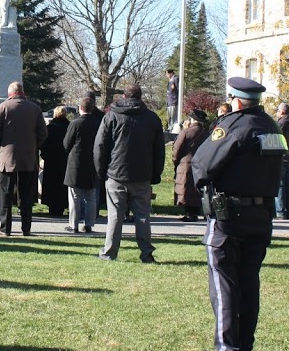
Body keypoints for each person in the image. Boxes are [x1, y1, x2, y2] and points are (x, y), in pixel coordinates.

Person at [191, 77, 286, 351]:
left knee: (224, 281)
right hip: (261, 213)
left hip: (229, 215)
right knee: (249, 280)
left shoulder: (232, 126)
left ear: (236, 100)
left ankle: (227, 350)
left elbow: (203, 165)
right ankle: (244, 345)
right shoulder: (271, 126)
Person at [95, 84, 165, 262]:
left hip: (116, 173)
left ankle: (110, 252)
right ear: (140, 97)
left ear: (124, 96)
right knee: (142, 216)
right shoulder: (151, 118)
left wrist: (101, 171)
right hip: (142, 175)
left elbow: (100, 146)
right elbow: (159, 151)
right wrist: (155, 174)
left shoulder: (111, 116)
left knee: (115, 216)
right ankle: (146, 253)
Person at [0, 82, 46, 237]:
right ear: (23, 92)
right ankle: (26, 228)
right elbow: (43, 133)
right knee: (26, 196)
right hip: (28, 158)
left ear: (10, 93)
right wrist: (33, 147)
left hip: (7, 157)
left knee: (5, 194)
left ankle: (5, 228)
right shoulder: (34, 109)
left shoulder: (2, 108)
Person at [64, 95, 102, 233]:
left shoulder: (75, 123)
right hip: (92, 161)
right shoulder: (98, 123)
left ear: (80, 108)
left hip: (76, 161)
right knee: (90, 196)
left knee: (75, 196)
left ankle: (73, 225)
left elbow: (67, 143)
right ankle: (89, 224)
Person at [172, 108, 210, 223]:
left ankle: (189, 213)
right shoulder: (207, 133)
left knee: (186, 188)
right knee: (197, 188)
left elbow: (176, 149)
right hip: (201, 164)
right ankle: (196, 212)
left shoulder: (186, 132)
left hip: (186, 163)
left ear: (192, 120)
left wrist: (176, 161)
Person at [40, 106, 70, 218]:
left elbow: (43, 144)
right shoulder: (69, 127)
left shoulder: (50, 128)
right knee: (62, 185)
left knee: (51, 185)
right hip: (65, 160)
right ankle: (62, 206)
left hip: (51, 160)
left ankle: (52, 207)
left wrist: (44, 155)